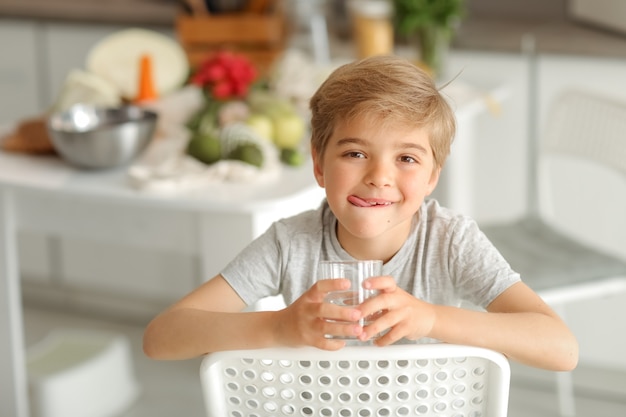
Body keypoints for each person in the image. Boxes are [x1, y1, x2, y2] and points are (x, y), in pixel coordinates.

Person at [143, 55, 578, 371]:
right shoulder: (289, 243)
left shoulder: (451, 241)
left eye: (406, 159)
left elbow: (561, 348)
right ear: (318, 164)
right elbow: (162, 337)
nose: (379, 177)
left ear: (431, 178)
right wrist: (278, 328)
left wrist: (431, 318)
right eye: (355, 152)